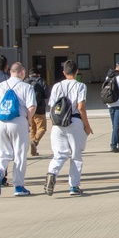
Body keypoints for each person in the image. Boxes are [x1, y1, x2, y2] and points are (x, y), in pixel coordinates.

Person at [0, 62, 36, 197]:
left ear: (10, 72)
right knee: (19, 154)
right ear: (22, 73)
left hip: (0, 123)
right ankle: (18, 186)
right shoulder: (26, 87)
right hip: (18, 122)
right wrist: (28, 120)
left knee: (2, 153)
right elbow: (32, 107)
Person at [45, 59, 93, 196]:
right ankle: (74, 186)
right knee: (76, 155)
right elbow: (81, 107)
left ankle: (52, 173)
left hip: (58, 124)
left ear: (64, 72)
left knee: (59, 154)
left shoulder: (56, 86)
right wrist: (87, 125)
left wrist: (52, 124)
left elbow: (51, 107)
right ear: (77, 71)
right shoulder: (81, 86)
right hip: (75, 121)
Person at [26, 72, 49, 156]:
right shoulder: (41, 81)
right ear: (38, 74)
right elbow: (47, 95)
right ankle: (34, 142)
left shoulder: (25, 81)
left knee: (32, 130)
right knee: (42, 128)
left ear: (29, 74)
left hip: (29, 110)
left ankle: (33, 151)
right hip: (40, 109)